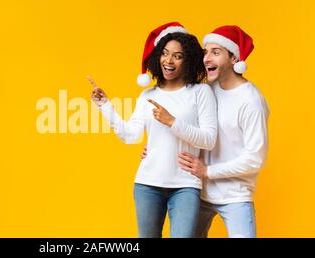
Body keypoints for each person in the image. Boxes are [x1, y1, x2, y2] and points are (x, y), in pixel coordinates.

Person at [87, 22, 217, 238]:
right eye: (165, 54)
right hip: (147, 185)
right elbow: (131, 136)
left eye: (178, 56)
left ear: (189, 60)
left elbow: (209, 140)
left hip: (185, 186)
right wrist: (104, 106)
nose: (169, 60)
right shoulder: (148, 95)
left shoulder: (200, 92)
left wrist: (172, 122)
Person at [176, 25, 270, 238]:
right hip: (198, 193)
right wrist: (156, 147)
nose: (206, 58)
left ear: (235, 59)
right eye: (206, 52)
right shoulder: (206, 91)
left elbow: (255, 158)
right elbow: (189, 129)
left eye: (216, 52)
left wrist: (208, 171)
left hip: (235, 195)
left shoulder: (251, 102)